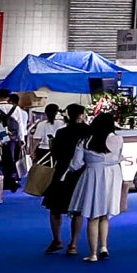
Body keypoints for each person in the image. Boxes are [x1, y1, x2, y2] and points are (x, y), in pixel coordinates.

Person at [68, 110, 126, 263]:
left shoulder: (85, 141)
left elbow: (76, 164)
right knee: (105, 215)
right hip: (112, 176)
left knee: (93, 216)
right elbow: (118, 157)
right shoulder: (118, 139)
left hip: (92, 176)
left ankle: (93, 253)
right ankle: (104, 247)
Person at [42, 106, 90, 256]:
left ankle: (57, 240)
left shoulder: (62, 132)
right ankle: (73, 244)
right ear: (81, 115)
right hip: (82, 173)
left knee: (55, 208)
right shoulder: (89, 131)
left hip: (62, 172)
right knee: (78, 210)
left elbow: (55, 154)